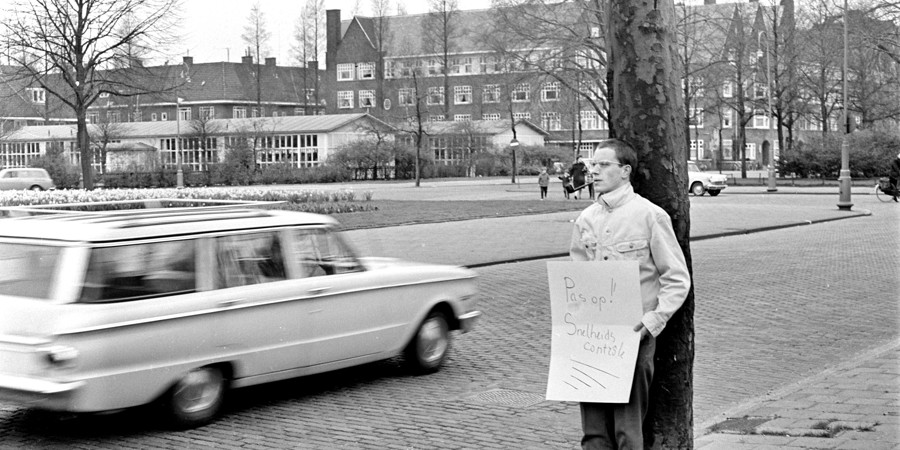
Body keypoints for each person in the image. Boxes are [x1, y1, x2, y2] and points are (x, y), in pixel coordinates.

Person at [569, 138, 691, 450]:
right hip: (593, 335)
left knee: (627, 431)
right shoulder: (586, 219)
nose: (594, 171)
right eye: (593, 165)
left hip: (633, 337)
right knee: (593, 433)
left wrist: (653, 321)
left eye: (603, 165)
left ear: (625, 171)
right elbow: (578, 278)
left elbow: (676, 278)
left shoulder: (650, 216)